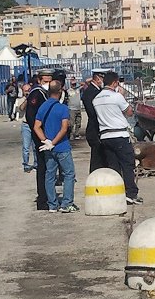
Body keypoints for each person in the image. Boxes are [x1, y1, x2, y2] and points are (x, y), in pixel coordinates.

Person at [93, 71, 141, 204]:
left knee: (113, 166)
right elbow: (130, 112)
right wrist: (122, 96)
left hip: (105, 136)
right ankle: (131, 193)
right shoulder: (117, 97)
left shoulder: (96, 99)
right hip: (119, 134)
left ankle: (117, 191)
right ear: (114, 83)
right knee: (127, 164)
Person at [33, 80, 78, 213]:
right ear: (60, 92)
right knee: (69, 174)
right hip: (62, 147)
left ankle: (52, 204)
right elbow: (64, 129)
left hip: (48, 149)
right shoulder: (62, 108)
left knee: (50, 175)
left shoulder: (43, 107)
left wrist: (46, 141)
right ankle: (66, 203)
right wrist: (53, 143)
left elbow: (36, 127)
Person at [25, 70, 54, 208]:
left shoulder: (44, 93)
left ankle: (47, 195)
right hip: (40, 136)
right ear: (40, 79)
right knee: (43, 167)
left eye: (50, 79)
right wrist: (40, 135)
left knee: (48, 166)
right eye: (46, 80)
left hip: (45, 134)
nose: (48, 82)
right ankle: (43, 198)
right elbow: (31, 116)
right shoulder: (37, 93)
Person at [81, 70, 107, 173]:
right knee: (97, 159)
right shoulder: (91, 92)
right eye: (102, 79)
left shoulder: (96, 91)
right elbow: (93, 113)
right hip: (95, 130)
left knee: (101, 158)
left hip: (97, 129)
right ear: (97, 78)